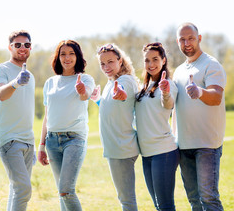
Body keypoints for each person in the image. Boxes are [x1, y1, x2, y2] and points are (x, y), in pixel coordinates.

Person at [173, 23, 226, 211]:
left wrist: (200, 92)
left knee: (208, 199)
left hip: (206, 145)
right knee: (194, 200)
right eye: (182, 39)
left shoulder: (211, 64)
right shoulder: (178, 71)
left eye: (191, 38)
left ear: (199, 38)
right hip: (183, 145)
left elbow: (216, 97)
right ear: (177, 41)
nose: (187, 43)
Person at [38, 40, 95, 211]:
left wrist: (82, 90)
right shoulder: (50, 82)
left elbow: (86, 96)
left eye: (71, 53)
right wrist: (41, 145)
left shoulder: (85, 79)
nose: (67, 57)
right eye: (63, 54)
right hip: (52, 141)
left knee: (66, 191)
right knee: (61, 192)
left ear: (78, 57)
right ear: (58, 58)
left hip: (74, 139)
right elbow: (47, 116)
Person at [91, 43, 139, 211]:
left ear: (120, 60)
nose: (106, 67)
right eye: (102, 64)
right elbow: (114, 109)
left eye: (110, 62)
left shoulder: (125, 80)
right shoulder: (112, 82)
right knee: (124, 198)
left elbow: (123, 94)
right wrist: (98, 100)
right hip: (117, 148)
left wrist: (122, 93)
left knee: (126, 200)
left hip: (121, 148)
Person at [0, 30, 35, 211]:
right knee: (23, 189)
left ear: (31, 47)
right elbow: (1, 93)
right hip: (9, 140)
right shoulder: (1, 70)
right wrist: (16, 82)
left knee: (16, 190)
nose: (22, 48)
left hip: (27, 141)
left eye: (26, 45)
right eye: (17, 45)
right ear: (10, 47)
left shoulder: (30, 75)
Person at [135, 42, 179, 211]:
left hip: (164, 152)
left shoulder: (168, 84)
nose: (151, 64)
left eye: (155, 59)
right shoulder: (143, 88)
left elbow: (168, 104)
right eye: (147, 60)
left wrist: (166, 92)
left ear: (163, 60)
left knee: (166, 206)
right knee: (158, 206)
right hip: (147, 154)